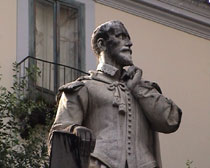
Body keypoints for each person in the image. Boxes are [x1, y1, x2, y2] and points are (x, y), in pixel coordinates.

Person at [48, 20, 182, 168]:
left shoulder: (142, 88)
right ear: (102, 44)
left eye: (128, 38)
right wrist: (75, 130)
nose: (129, 43)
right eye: (121, 36)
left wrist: (136, 87)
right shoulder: (84, 87)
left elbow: (170, 120)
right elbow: (60, 131)